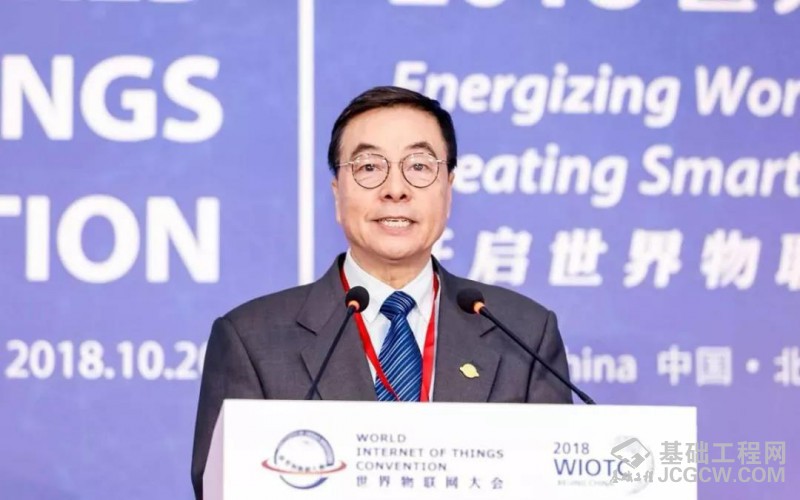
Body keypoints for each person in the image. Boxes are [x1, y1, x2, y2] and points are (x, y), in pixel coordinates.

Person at [190, 86, 572, 499]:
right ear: (337, 193)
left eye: (419, 166)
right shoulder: (252, 339)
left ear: (448, 188)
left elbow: (558, 484)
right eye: (369, 166)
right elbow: (224, 487)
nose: (395, 189)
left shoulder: (524, 332)